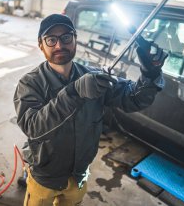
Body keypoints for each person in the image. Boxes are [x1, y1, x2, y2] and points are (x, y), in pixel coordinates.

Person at [13, 14, 167, 206]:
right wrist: (74, 92)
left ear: (75, 39)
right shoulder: (30, 83)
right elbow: (33, 127)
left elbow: (134, 99)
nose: (59, 45)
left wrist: (150, 75)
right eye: (51, 39)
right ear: (41, 45)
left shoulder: (94, 78)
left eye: (66, 37)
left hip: (80, 172)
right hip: (45, 174)